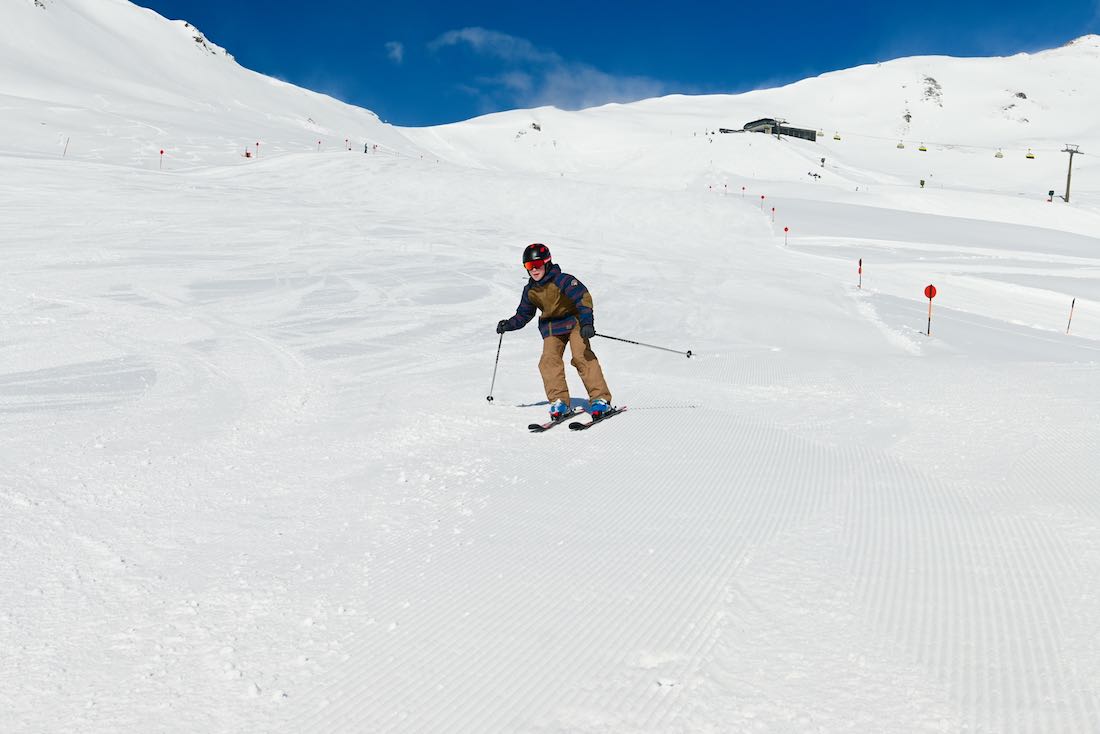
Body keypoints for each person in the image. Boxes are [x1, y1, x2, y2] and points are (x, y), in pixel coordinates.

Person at [496, 243, 613, 419]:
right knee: (548, 361)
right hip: (553, 328)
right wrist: (508, 325)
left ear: (547, 263)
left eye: (537, 265)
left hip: (575, 323)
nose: (534, 270)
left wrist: (587, 323)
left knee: (581, 356)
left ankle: (600, 399)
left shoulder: (563, 280)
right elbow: (523, 315)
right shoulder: (531, 290)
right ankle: (560, 402)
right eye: (529, 266)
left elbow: (583, 298)